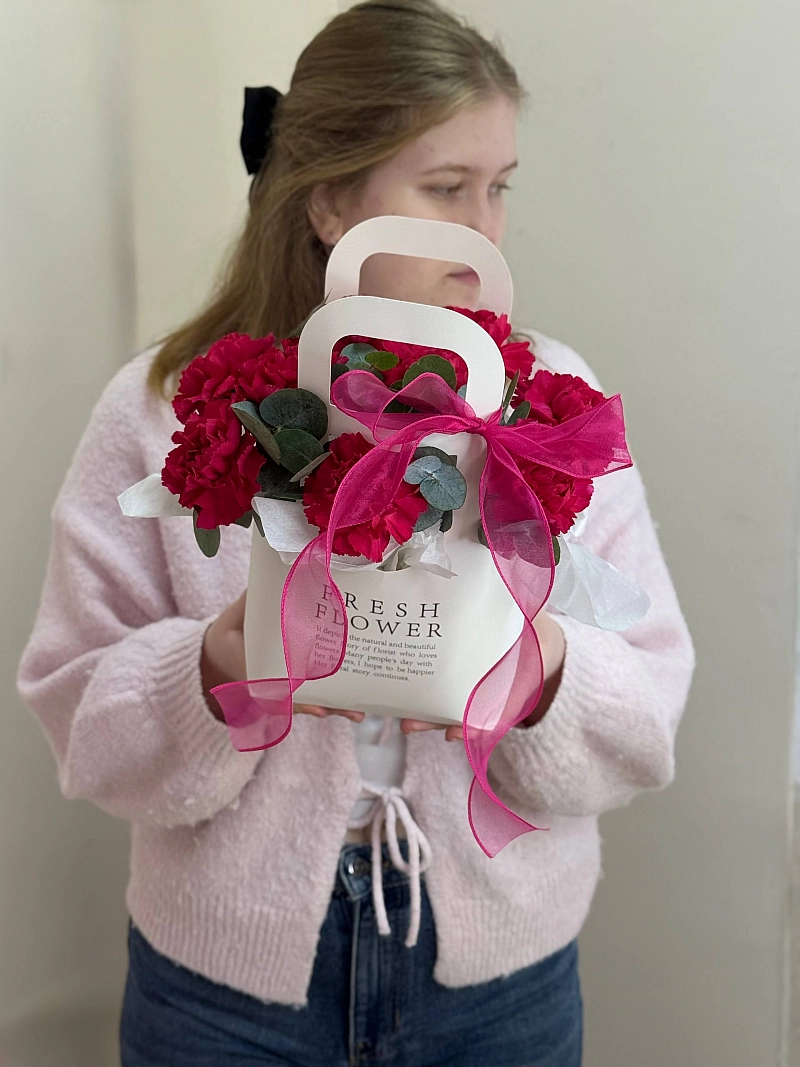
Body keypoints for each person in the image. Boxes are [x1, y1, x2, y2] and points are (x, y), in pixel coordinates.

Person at [17, 2, 695, 1065]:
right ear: (331, 201)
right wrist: (222, 664)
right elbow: (79, 713)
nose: (484, 231)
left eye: (500, 187)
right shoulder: (166, 410)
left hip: (496, 984)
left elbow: (650, 705)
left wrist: (538, 671)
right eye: (446, 188)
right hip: (226, 993)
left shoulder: (546, 407)